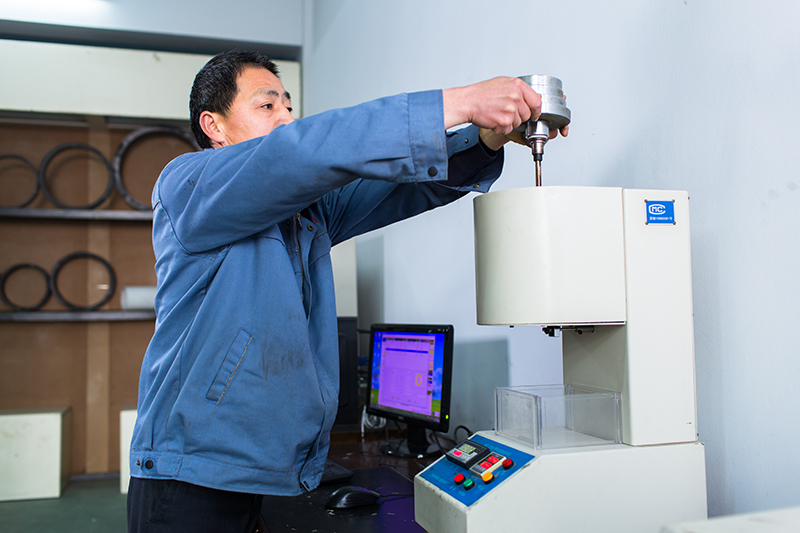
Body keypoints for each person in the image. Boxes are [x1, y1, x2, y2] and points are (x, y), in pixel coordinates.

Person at [127, 49, 566, 533]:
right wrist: (460, 102)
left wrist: (483, 141)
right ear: (214, 125)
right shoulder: (188, 185)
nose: (287, 118)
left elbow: (403, 187)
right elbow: (300, 151)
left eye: (289, 107)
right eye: (268, 106)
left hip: (259, 472)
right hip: (188, 475)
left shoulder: (306, 214)